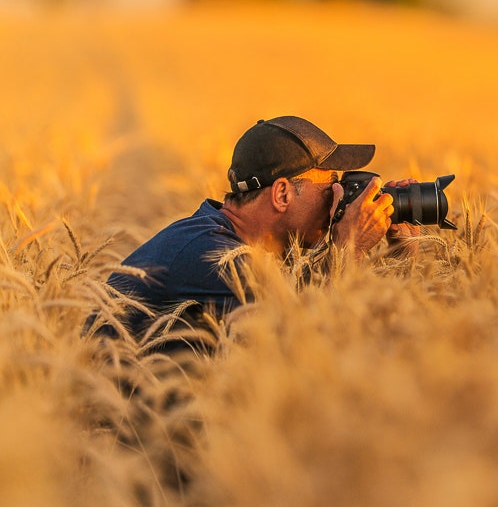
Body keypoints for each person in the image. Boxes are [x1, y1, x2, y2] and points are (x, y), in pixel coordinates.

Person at [87, 116, 417, 348]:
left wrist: (404, 255)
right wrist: (349, 248)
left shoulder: (248, 246)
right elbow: (309, 354)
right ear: (283, 194)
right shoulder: (214, 256)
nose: (340, 195)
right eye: (331, 185)